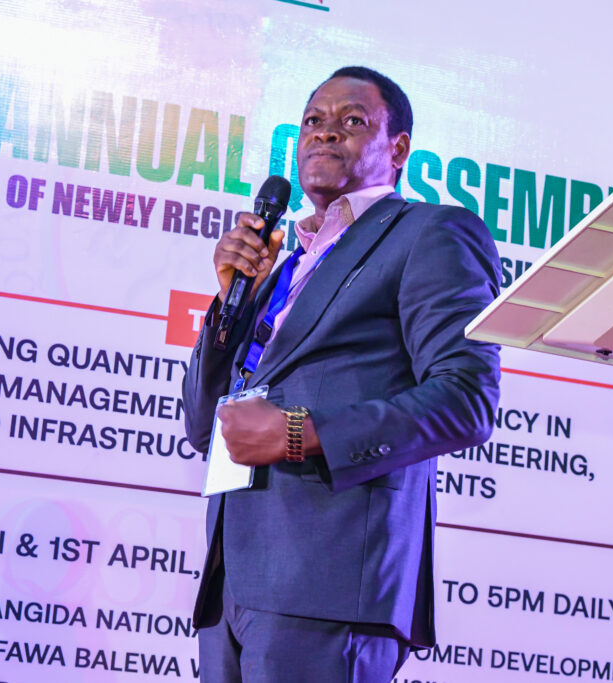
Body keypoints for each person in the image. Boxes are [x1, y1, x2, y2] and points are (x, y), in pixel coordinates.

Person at [182, 66, 501, 682]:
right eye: (313, 121)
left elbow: (466, 400)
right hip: (231, 589)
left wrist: (297, 432)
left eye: (352, 120)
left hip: (330, 583)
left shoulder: (429, 233)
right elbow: (204, 427)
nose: (325, 133)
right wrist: (230, 304)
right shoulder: (282, 266)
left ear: (398, 149)